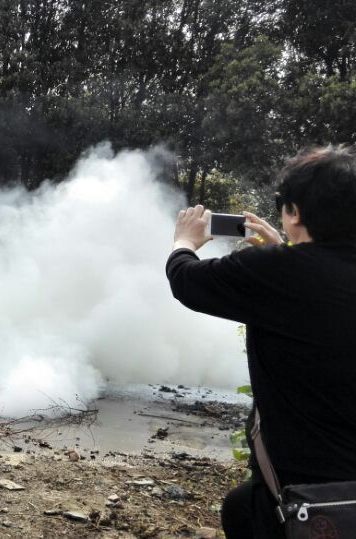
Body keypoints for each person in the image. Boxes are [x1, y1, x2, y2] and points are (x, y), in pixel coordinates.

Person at [167, 146, 356, 539]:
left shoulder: (279, 273)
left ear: (294, 212)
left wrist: (183, 241)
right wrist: (285, 252)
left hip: (307, 493)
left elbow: (186, 280)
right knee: (240, 508)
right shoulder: (287, 268)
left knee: (247, 512)